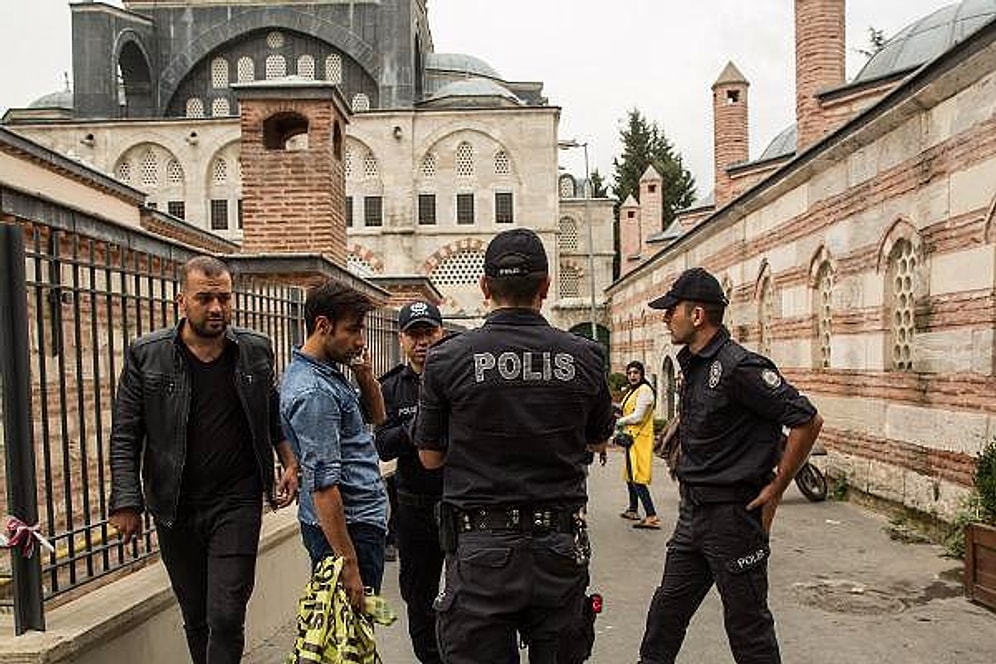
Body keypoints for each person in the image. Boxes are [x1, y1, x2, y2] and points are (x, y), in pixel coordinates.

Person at [415, 228, 615, 664]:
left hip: (480, 548)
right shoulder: (585, 356)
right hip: (558, 547)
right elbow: (599, 438)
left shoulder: (448, 358)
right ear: (545, 287)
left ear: (484, 288)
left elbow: (429, 456)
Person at [108, 255, 299, 664]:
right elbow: (126, 432)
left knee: (226, 615)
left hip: (237, 501)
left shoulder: (254, 351)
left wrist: (289, 460)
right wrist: (126, 500)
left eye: (224, 298)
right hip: (174, 504)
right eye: (205, 298)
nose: (216, 308)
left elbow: (270, 412)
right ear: (182, 300)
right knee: (196, 616)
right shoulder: (148, 355)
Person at [637, 267, 824, 664]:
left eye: (672, 309)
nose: (666, 317)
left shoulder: (741, 367)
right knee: (665, 615)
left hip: (733, 520)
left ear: (698, 315)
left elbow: (807, 420)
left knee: (748, 630)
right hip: (693, 516)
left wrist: (776, 488)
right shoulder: (695, 364)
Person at [279, 280, 389, 612]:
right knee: (348, 641)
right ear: (323, 326)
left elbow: (377, 416)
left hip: (357, 526)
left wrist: (364, 373)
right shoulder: (315, 392)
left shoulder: (327, 374)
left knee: (348, 639)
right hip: (349, 532)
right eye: (353, 330)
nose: (360, 341)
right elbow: (323, 485)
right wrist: (349, 565)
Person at [373, 300, 447, 664]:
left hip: (461, 504)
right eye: (414, 334)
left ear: (441, 333)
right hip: (414, 508)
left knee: (473, 594)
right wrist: (422, 426)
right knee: (419, 595)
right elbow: (383, 446)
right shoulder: (390, 388)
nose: (422, 341)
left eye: (429, 332)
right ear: (402, 339)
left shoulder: (458, 377)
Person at [616, 360, 660, 529]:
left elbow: (638, 416)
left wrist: (620, 421)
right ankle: (633, 509)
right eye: (630, 373)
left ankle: (651, 515)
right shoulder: (633, 391)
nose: (632, 376)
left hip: (639, 438)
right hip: (632, 437)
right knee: (629, 474)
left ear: (641, 374)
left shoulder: (645, 391)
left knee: (637, 476)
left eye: (636, 372)